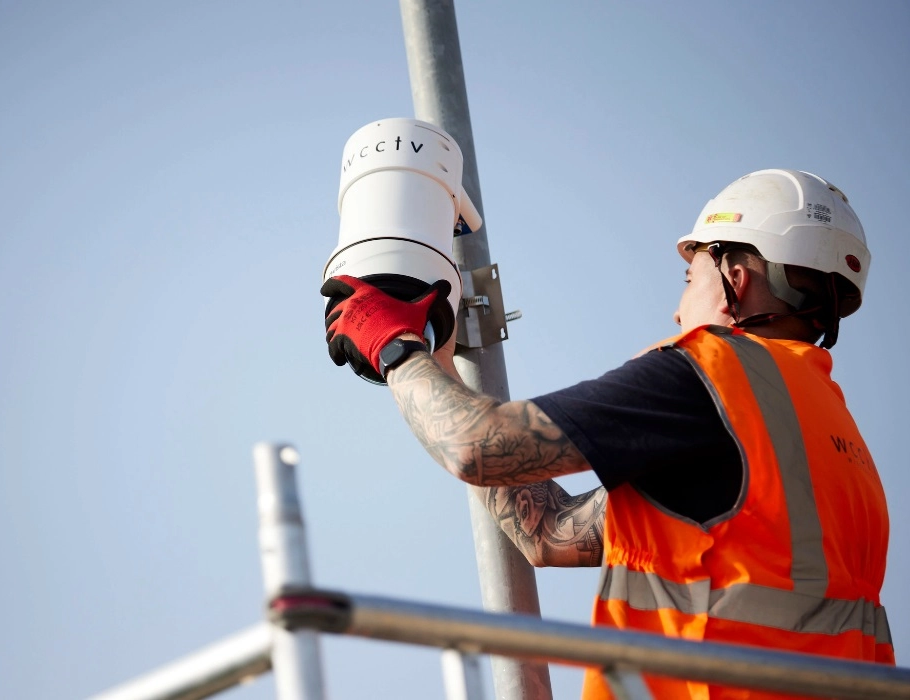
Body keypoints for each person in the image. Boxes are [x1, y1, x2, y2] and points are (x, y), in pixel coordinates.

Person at [321, 169, 894, 699]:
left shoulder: (711, 372)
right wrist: (443, 367)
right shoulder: (832, 434)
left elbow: (477, 448)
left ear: (735, 279)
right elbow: (546, 531)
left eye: (689, 278)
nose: (677, 313)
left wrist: (396, 346)